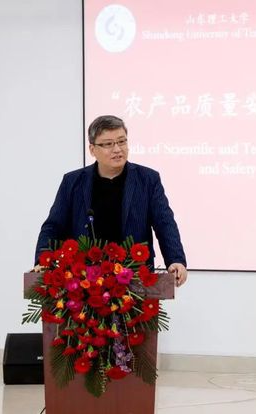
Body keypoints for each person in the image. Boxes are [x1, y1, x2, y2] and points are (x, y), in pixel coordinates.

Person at [35, 115, 188, 286]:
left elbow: (164, 223)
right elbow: (53, 226)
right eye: (108, 144)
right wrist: (43, 260)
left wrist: (175, 260)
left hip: (134, 278)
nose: (117, 149)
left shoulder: (147, 179)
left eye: (122, 141)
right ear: (92, 149)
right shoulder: (73, 182)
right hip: (83, 281)